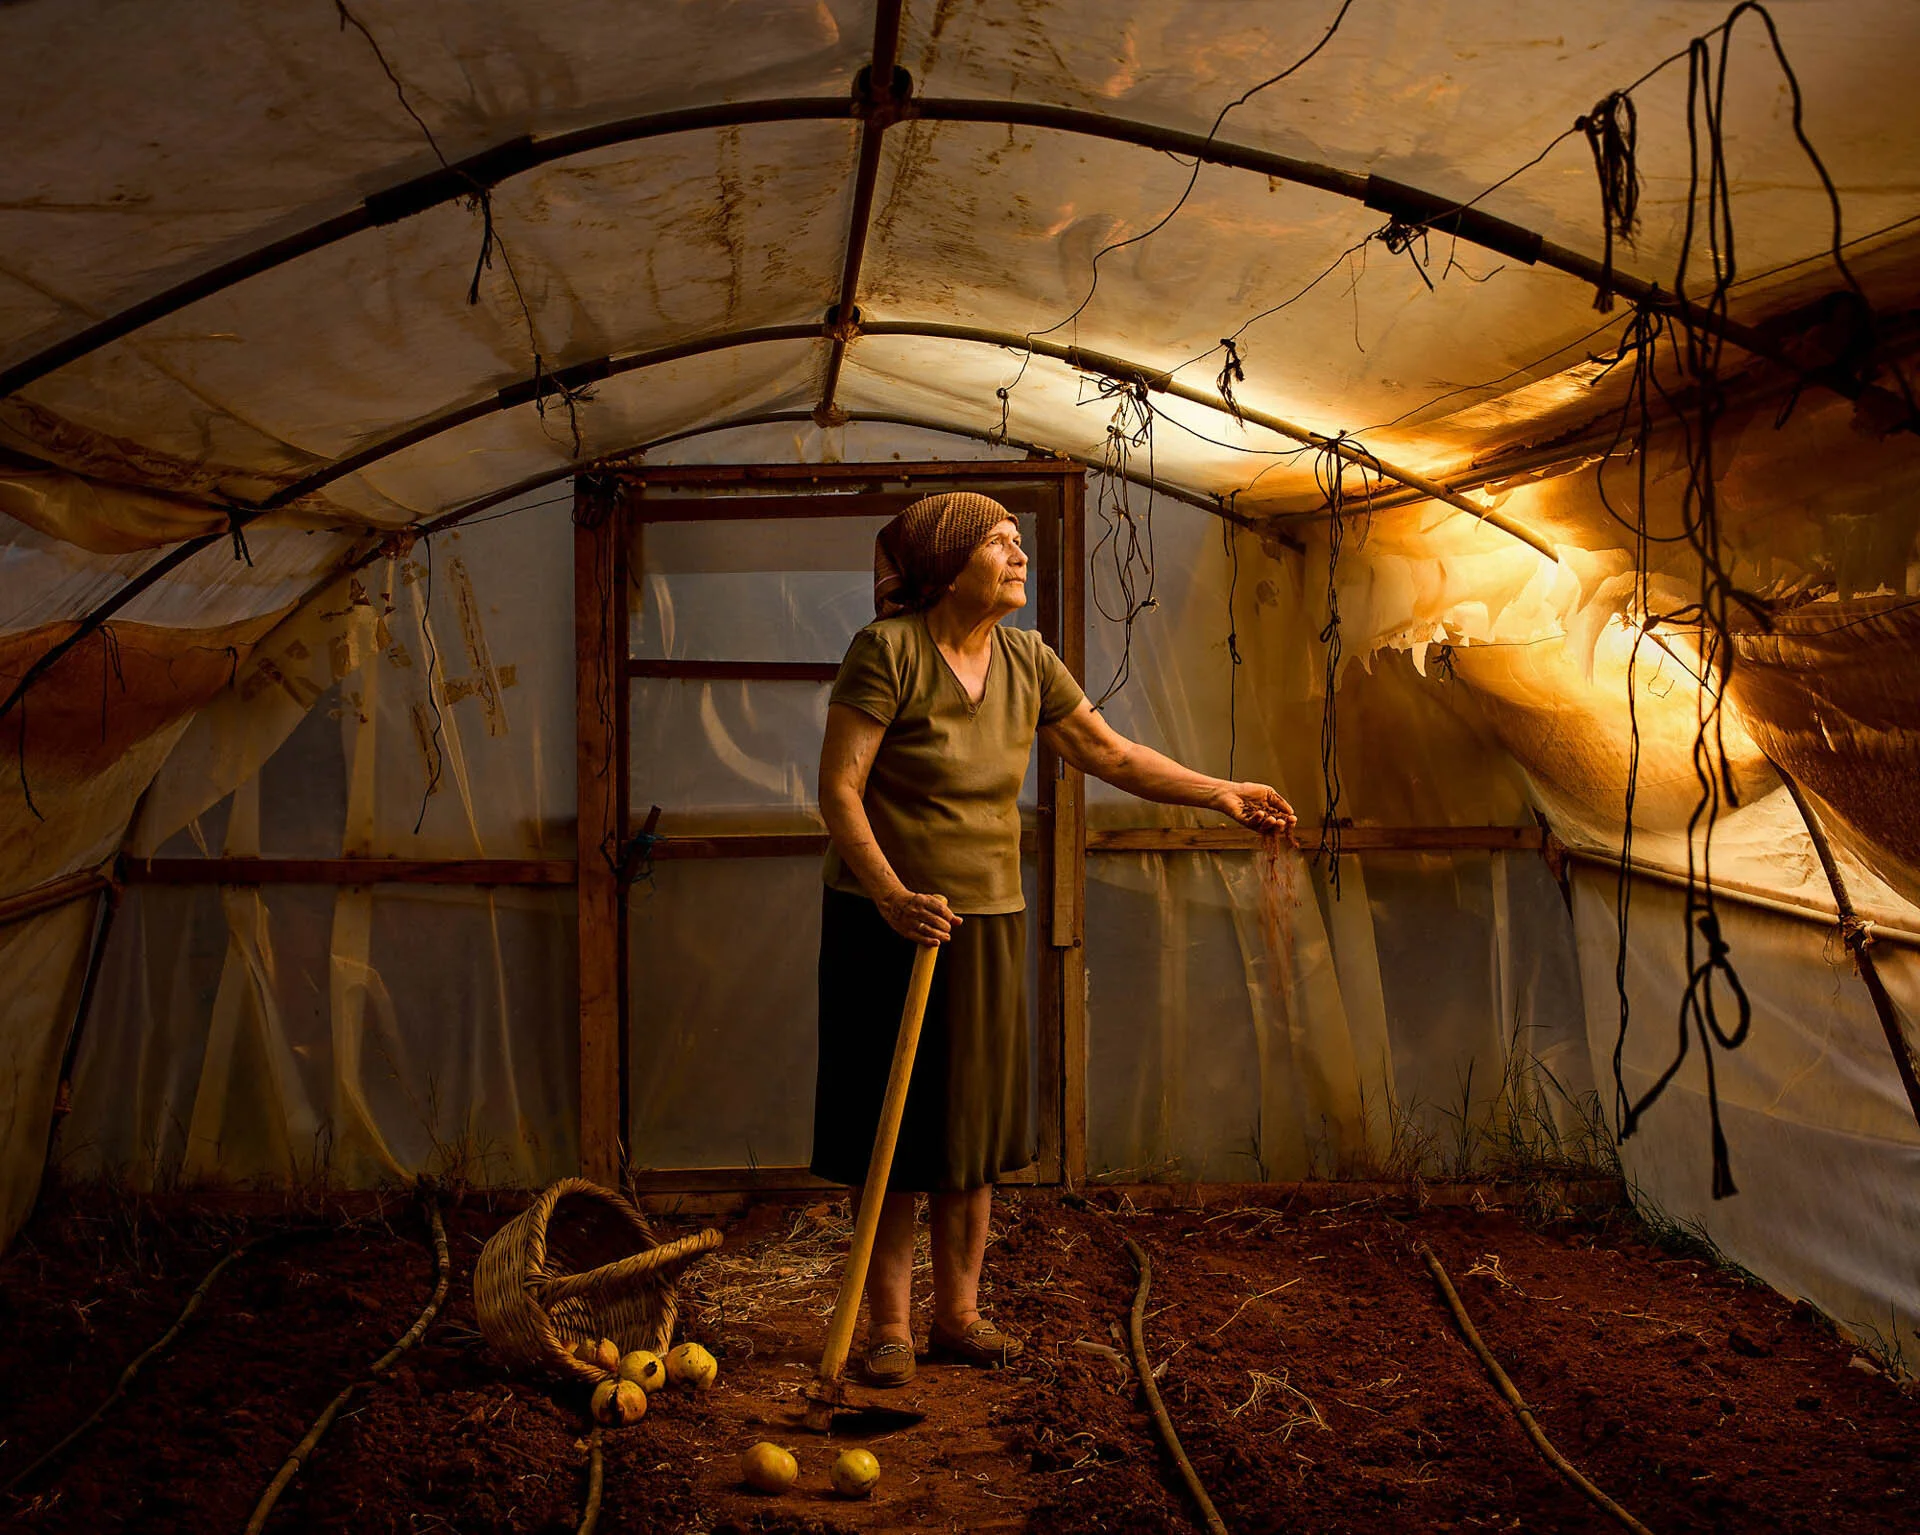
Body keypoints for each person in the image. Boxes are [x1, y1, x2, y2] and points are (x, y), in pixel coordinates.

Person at [812, 490, 1295, 1386]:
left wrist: (1217, 790)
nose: (1018, 554)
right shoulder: (888, 652)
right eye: (999, 541)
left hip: (985, 921)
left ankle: (957, 1315)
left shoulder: (1028, 658)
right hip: (888, 926)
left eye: (1018, 539)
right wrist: (888, 894)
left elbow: (1109, 753)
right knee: (896, 1132)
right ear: (948, 563)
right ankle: (889, 1328)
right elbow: (840, 789)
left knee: (973, 1129)